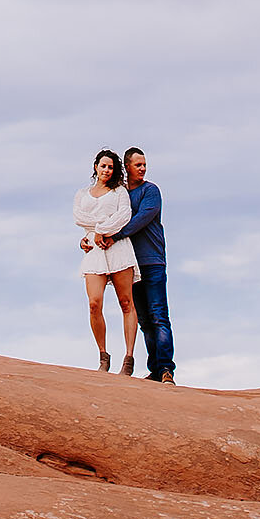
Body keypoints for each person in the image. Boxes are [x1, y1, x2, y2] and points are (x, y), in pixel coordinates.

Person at [73, 147, 139, 372]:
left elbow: (124, 216)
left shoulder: (120, 192)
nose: (107, 170)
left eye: (111, 167)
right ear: (96, 167)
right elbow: (79, 217)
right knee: (94, 303)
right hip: (94, 249)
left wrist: (102, 229)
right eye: (103, 166)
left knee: (126, 302)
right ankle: (103, 355)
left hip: (118, 247)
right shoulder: (83, 194)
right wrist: (98, 230)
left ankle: (128, 358)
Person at [116, 147, 174, 383]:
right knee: (144, 320)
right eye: (138, 165)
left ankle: (166, 369)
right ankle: (155, 369)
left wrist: (116, 234)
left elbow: (141, 219)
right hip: (130, 264)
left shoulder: (151, 191)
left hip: (153, 261)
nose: (143, 168)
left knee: (159, 315)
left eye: (144, 165)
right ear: (127, 166)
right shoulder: (120, 194)